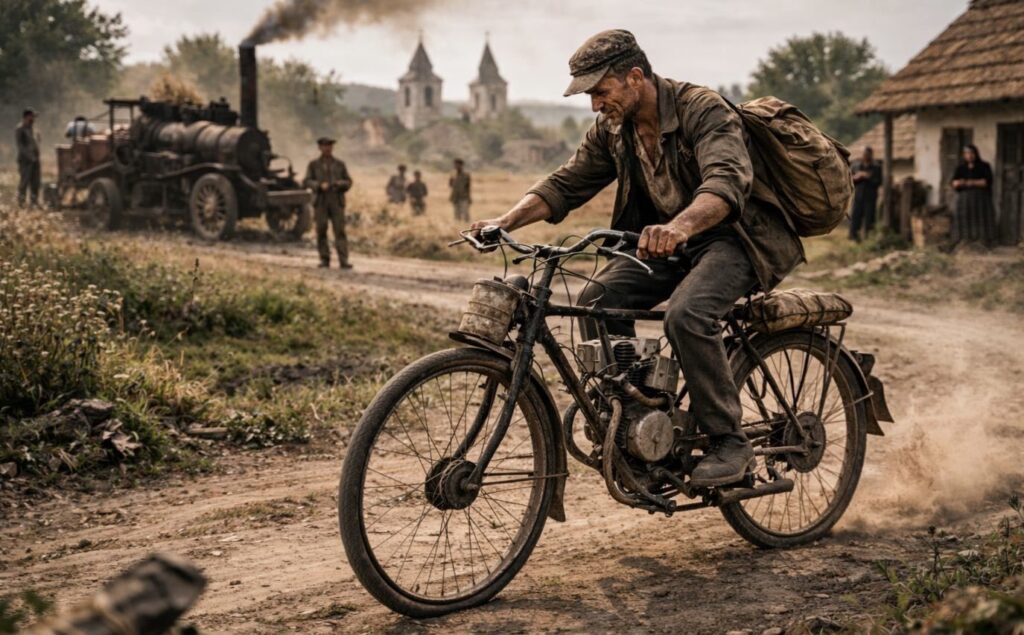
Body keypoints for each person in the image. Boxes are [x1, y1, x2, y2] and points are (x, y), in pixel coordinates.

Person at [471, 30, 803, 487]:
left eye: (600, 91)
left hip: (739, 238)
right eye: (589, 95)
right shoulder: (614, 129)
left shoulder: (703, 110)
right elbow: (567, 183)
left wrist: (679, 227)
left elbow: (727, 182)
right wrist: (504, 221)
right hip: (667, 243)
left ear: (634, 77)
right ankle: (636, 419)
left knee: (687, 316)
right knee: (597, 299)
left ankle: (730, 442)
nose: (594, 105)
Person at [303, 137, 353, 269]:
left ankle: (344, 260)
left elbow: (348, 181)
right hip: (321, 201)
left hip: (336, 200)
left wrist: (339, 184)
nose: (327, 148)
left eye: (329, 145)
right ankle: (324, 259)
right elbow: (307, 181)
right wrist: (319, 185)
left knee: (340, 231)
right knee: (321, 230)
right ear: (320, 148)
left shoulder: (340, 164)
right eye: (324, 146)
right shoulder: (313, 165)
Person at [951, 144, 996, 247]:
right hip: (964, 199)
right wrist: (958, 183)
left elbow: (986, 182)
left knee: (981, 218)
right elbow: (954, 182)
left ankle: (983, 243)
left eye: (971, 153)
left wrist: (968, 182)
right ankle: (965, 242)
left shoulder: (984, 166)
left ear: (976, 154)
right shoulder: (960, 168)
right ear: (964, 155)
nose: (969, 155)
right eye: (966, 153)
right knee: (965, 218)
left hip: (981, 198)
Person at [849, 146, 882, 242]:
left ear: (871, 155)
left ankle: (868, 238)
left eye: (867, 154)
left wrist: (868, 177)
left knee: (869, 218)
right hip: (858, 196)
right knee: (855, 217)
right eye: (864, 154)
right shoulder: (856, 165)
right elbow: (849, 180)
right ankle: (854, 237)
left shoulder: (876, 167)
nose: (865, 156)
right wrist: (857, 177)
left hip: (870, 197)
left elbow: (879, 182)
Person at [15, 108, 41, 208]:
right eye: (32, 116)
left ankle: (34, 203)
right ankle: (21, 203)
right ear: (26, 117)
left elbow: (37, 141)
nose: (34, 119)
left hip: (35, 159)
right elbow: (20, 146)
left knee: (36, 182)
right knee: (24, 182)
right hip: (25, 160)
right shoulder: (20, 129)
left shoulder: (33, 129)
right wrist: (30, 157)